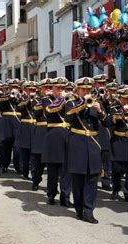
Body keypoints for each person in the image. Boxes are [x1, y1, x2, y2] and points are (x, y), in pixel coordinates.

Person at [65, 77, 107, 224]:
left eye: (89, 89)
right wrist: (83, 105)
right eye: (84, 90)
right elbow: (68, 117)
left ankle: (89, 211)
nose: (87, 92)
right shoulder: (70, 103)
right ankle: (78, 208)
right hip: (77, 143)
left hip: (93, 144)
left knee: (92, 179)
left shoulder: (97, 103)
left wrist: (100, 111)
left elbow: (107, 122)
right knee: (78, 180)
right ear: (77, 90)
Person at [41, 77, 73, 207]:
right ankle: (51, 194)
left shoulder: (69, 100)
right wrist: (62, 98)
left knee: (66, 170)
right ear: (52, 89)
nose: (60, 91)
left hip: (68, 136)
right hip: (53, 136)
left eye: (63, 88)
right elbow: (50, 111)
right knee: (53, 169)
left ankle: (65, 197)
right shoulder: (46, 100)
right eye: (58, 88)